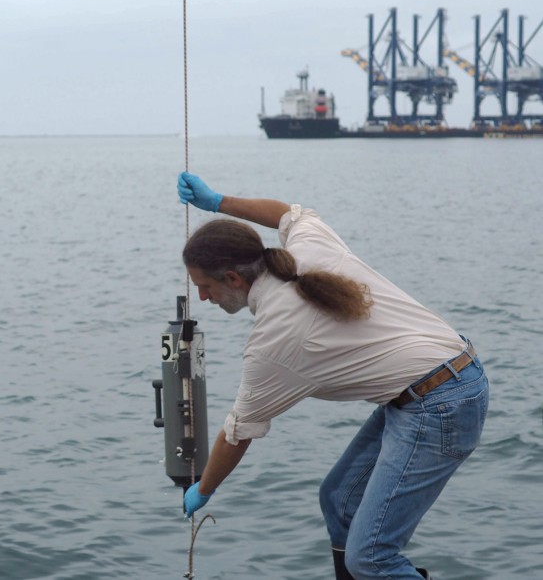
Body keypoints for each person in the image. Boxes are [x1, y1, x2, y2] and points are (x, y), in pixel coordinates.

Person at [176, 172, 489, 580]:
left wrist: (204, 489)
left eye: (204, 286)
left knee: (372, 558)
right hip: (441, 379)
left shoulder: (273, 337)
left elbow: (238, 433)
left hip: (441, 403)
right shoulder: (309, 245)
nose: (203, 298)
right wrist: (218, 202)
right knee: (339, 500)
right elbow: (288, 214)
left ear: (233, 278)